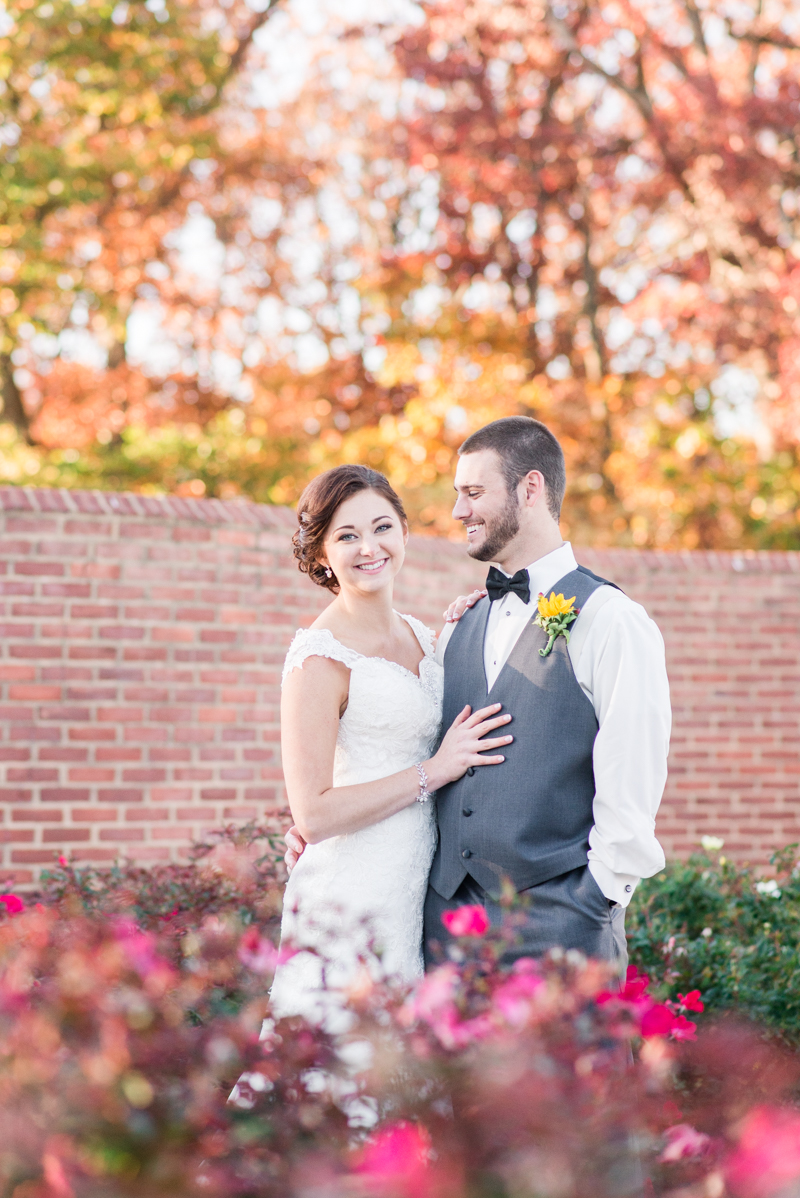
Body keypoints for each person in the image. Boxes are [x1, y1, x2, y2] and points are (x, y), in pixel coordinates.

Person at [286, 417, 671, 980]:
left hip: (560, 927)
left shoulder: (612, 621)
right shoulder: (461, 625)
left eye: (473, 492)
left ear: (530, 489)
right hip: (443, 931)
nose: (459, 511)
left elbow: (633, 775)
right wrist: (314, 822)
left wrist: (598, 898)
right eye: (455, 496)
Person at [270, 463, 511, 1024]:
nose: (368, 547)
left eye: (381, 527)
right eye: (346, 536)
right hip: (348, 892)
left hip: (412, 892)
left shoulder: (425, 636)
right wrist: (437, 769)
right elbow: (312, 813)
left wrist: (463, 624)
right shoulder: (318, 659)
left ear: (404, 533)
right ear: (323, 554)